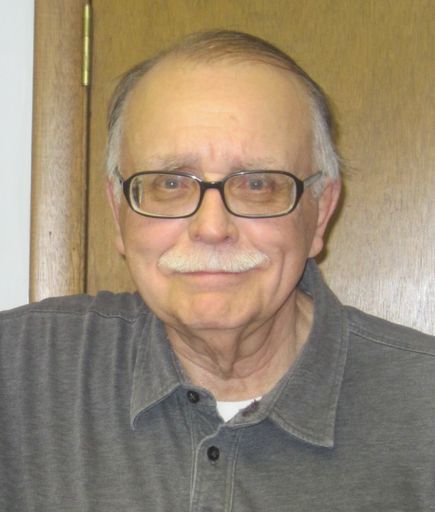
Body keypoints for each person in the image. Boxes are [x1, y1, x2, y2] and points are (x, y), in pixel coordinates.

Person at [1, 30, 434, 512]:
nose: (211, 228)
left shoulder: (424, 407)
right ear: (119, 213)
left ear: (320, 213)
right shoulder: (19, 373)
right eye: (169, 184)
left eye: (257, 184)